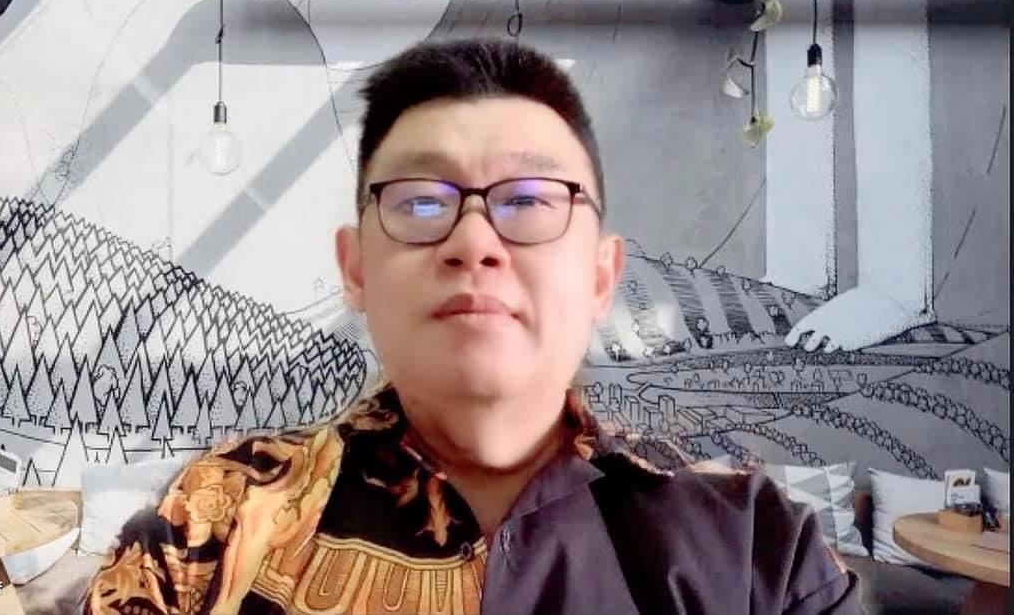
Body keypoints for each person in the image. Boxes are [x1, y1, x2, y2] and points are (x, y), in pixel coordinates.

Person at [82, 37, 863, 615]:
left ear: (599, 275)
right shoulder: (214, 521)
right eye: (421, 201)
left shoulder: (755, 550)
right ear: (356, 268)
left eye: (528, 200)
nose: (474, 241)